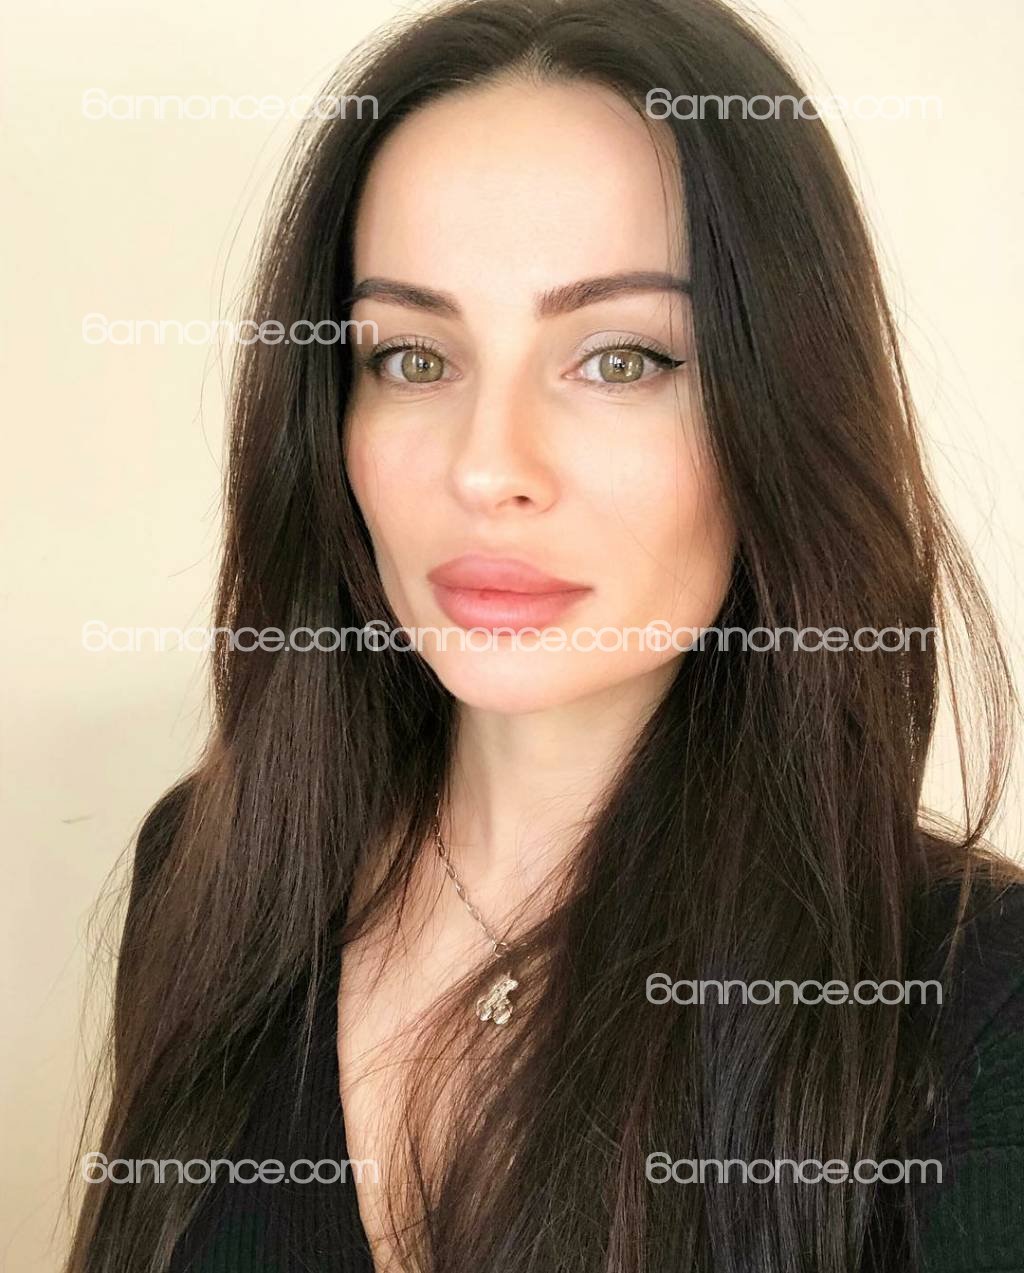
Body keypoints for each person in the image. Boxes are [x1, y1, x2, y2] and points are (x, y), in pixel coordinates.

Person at [67, 0, 1024, 1270]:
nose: (487, 468)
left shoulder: (973, 1007)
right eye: (413, 358)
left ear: (781, 409)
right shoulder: (212, 867)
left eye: (620, 359)